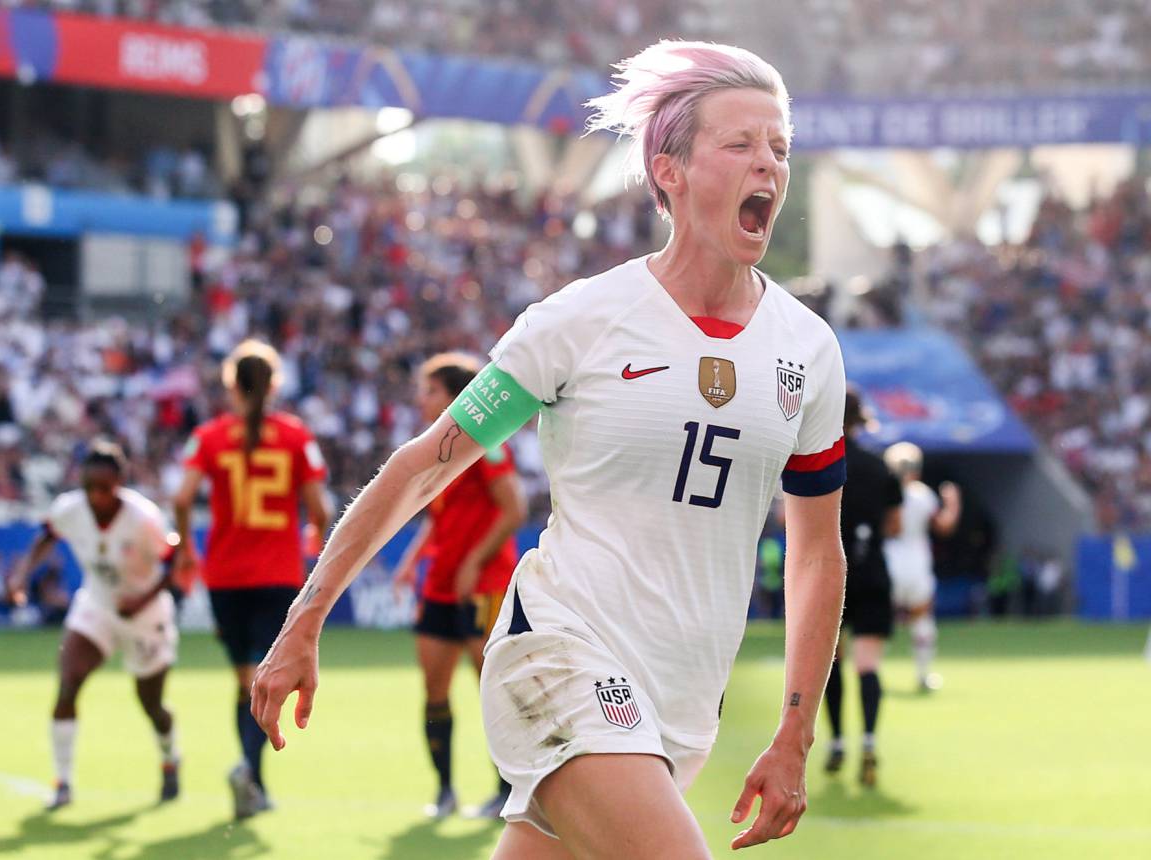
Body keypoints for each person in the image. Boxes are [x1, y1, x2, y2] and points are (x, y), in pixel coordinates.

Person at [252, 40, 848, 858]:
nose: (769, 166)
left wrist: (795, 732)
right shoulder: (580, 321)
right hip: (559, 654)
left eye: (779, 147)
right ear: (668, 171)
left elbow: (818, 555)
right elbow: (427, 464)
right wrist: (305, 617)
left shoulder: (808, 350)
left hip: (678, 701)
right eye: (740, 145)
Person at [173, 339, 330, 819]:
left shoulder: (210, 436)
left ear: (231, 385)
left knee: (245, 678)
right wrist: (312, 540)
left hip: (225, 575)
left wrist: (185, 554)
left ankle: (251, 777)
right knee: (263, 679)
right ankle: (249, 772)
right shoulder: (296, 435)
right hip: (278, 574)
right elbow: (320, 508)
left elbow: (181, 499)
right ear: (275, 384)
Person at [7, 440, 180, 811]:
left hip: (146, 615)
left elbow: (174, 563)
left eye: (103, 488)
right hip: (98, 604)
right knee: (68, 683)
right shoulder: (71, 508)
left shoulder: (144, 518)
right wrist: (23, 573)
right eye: (89, 488)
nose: (95, 496)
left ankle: (170, 758)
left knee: (151, 704)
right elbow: (48, 535)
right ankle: (63, 783)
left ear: (118, 483)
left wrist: (142, 600)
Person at [392, 352, 528, 819]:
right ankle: (445, 791)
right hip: (441, 583)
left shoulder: (490, 442)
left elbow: (514, 509)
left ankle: (508, 791)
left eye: (430, 390)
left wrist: (474, 561)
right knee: (433, 687)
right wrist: (411, 562)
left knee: (492, 689)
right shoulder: (440, 446)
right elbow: (439, 516)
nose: (421, 398)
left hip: (483, 584)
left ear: (455, 397)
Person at [823, 391, 902, 788]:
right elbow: (895, 525)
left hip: (827, 573)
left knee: (831, 661)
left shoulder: (820, 462)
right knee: (868, 664)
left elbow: (792, 521)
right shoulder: (879, 467)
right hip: (872, 571)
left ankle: (836, 741)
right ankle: (869, 742)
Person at [882, 442, 961, 691]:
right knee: (922, 619)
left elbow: (889, 528)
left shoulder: (884, 491)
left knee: (881, 620)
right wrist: (953, 504)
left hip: (889, 559)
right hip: (916, 562)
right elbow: (944, 527)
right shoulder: (922, 494)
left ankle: (871, 673)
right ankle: (923, 674)